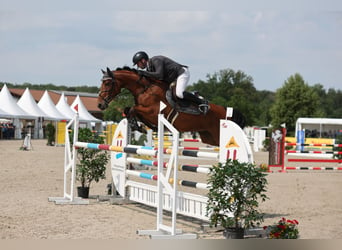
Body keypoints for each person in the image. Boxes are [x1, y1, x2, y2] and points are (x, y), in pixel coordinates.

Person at [132, 51, 209, 114]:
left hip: (181, 73)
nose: (138, 66)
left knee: (179, 94)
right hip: (172, 78)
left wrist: (143, 73)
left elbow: (159, 75)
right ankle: (192, 95)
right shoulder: (149, 68)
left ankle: (202, 102)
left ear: (143, 60)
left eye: (138, 64)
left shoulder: (156, 60)